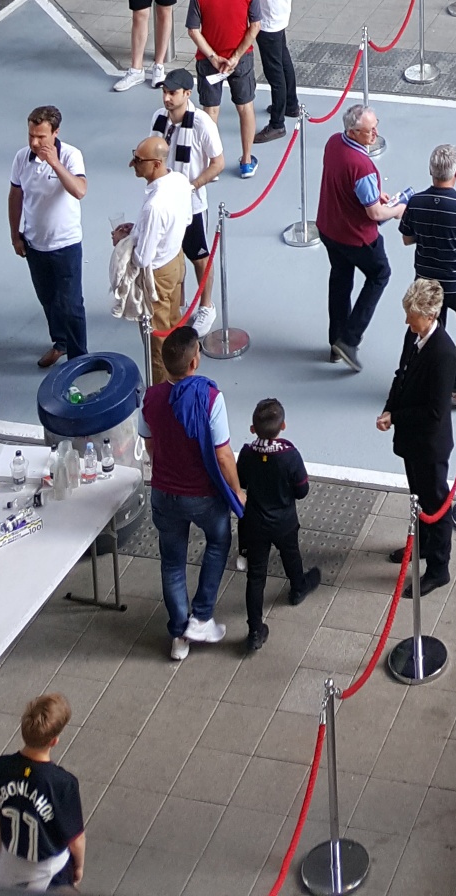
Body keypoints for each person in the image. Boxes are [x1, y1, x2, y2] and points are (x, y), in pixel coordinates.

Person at [137, 323, 243, 660]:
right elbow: (223, 455)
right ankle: (202, 616)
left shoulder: (150, 398)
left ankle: (179, 636)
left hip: (163, 494)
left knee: (172, 563)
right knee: (218, 542)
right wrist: (237, 490)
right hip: (203, 496)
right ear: (195, 362)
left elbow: (150, 445)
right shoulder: (210, 398)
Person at [376, 279, 456, 594]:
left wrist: (396, 416)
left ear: (429, 315)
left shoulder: (443, 353)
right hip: (414, 440)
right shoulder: (415, 337)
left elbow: (435, 411)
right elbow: (402, 375)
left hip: (430, 445)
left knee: (435, 505)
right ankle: (420, 545)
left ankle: (438, 568)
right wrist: (389, 408)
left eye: (411, 316)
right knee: (418, 498)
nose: (406, 321)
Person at [400, 144, 456, 408]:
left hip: (426, 284)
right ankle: (455, 382)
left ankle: (409, 378)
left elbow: (407, 239)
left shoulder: (416, 202)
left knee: (424, 329)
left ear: (431, 171)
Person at [316, 103, 404, 373]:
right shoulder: (362, 166)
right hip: (356, 237)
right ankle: (350, 339)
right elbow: (375, 213)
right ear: (353, 132)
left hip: (329, 228)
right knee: (380, 274)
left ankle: (335, 342)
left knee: (340, 279)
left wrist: (374, 194)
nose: (375, 134)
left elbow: (345, 185)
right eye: (369, 131)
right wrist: (398, 210)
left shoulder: (333, 143)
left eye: (376, 127)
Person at [237, 395, 320, 654]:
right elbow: (302, 490)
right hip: (284, 521)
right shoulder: (289, 455)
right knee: (291, 553)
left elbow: (241, 481)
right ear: (283, 426)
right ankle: (298, 588)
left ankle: (254, 630)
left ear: (253, 429)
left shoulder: (247, 453)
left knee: (256, 575)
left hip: (255, 523)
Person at [0, 692, 86, 891]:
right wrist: (78, 867)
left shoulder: (2, 766)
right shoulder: (63, 783)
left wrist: (7, 856)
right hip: (52, 874)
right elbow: (76, 839)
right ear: (54, 741)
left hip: (10, 865)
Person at [7, 107, 87, 368]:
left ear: (56, 133)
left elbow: (79, 190)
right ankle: (60, 343)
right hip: (35, 245)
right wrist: (15, 235)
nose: (34, 142)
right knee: (49, 301)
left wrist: (55, 163)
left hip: (66, 245)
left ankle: (78, 358)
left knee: (72, 305)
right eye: (31, 135)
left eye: (41, 137)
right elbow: (16, 196)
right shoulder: (22, 158)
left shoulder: (71, 155)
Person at [152, 70, 223, 329]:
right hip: (164, 202)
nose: (167, 98)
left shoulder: (202, 123)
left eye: (172, 93)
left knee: (198, 256)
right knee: (170, 254)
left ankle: (206, 306)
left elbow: (218, 163)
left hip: (191, 204)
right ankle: (177, 304)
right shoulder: (158, 118)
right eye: (164, 92)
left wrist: (191, 187)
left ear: (187, 94)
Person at [185, 0, 261, 178]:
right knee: (245, 107)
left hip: (209, 62)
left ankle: (212, 164)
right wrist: (236, 56)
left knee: (211, 111)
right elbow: (255, 25)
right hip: (242, 59)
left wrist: (213, 57)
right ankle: (246, 161)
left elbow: (193, 30)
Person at [122, 137, 195, 383]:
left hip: (158, 276)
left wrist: (123, 244)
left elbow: (142, 258)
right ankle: (183, 381)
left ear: (156, 164)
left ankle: (162, 393)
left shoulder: (154, 206)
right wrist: (139, 231)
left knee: (159, 344)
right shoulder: (180, 181)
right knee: (175, 329)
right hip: (176, 261)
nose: (132, 163)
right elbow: (186, 219)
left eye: (138, 160)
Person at [250, 0, 299, 141]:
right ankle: (290, 103)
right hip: (276, 14)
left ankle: (277, 123)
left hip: (269, 19)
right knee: (283, 59)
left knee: (274, 71)